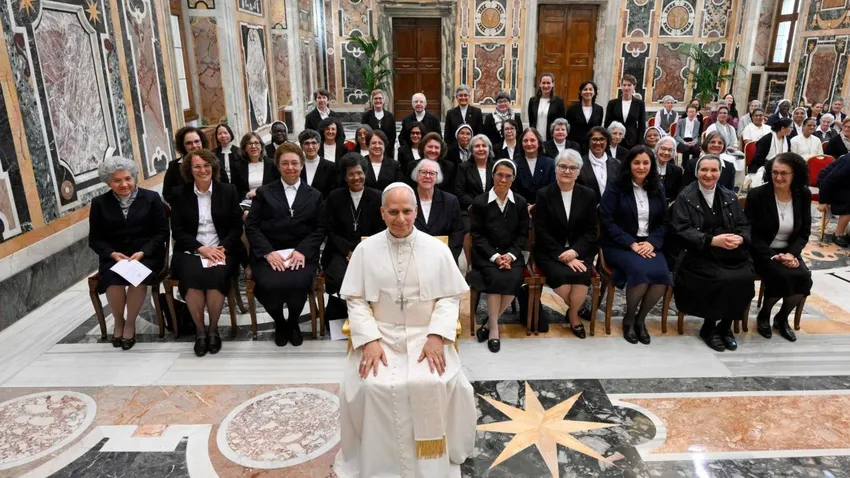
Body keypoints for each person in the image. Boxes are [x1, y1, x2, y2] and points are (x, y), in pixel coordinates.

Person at [333, 183, 474, 478]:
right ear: (382, 212)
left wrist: (436, 336)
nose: (400, 219)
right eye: (393, 212)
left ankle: (430, 464)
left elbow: (450, 297)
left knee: (435, 381)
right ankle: (381, 466)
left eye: (407, 211)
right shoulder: (364, 250)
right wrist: (369, 340)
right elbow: (355, 300)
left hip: (426, 335)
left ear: (416, 211)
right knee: (371, 386)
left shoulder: (437, 249)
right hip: (379, 335)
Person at [245, 142, 327, 347]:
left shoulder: (314, 195)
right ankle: (280, 322)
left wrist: (302, 251)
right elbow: (252, 226)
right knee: (267, 285)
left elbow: (320, 228)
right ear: (278, 166)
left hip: (301, 254)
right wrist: (268, 253)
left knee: (297, 283)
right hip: (269, 253)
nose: (290, 167)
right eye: (285, 163)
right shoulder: (264, 193)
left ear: (302, 165)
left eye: (295, 163)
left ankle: (292, 322)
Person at [670, 155, 754, 351]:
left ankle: (725, 326)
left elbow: (743, 224)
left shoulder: (729, 196)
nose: (708, 174)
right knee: (721, 279)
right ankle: (708, 327)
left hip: (729, 253)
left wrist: (741, 238)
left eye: (713, 170)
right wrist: (711, 241)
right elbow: (682, 229)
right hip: (697, 253)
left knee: (744, 276)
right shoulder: (685, 196)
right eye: (704, 170)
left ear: (720, 172)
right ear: (696, 172)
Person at [168, 150, 245, 357]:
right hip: (191, 250)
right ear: (189, 170)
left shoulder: (228, 191)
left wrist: (222, 248)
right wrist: (200, 248)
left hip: (221, 249)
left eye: (206, 165)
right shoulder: (179, 193)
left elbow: (236, 227)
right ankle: (200, 332)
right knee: (191, 279)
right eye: (197, 166)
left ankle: (213, 331)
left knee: (215, 278)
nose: (203, 170)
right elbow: (178, 231)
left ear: (213, 167)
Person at [89, 157, 168, 350]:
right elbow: (95, 239)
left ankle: (130, 323)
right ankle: (119, 321)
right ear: (108, 182)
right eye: (117, 180)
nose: (124, 184)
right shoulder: (99, 203)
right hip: (115, 256)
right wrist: (112, 254)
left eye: (127, 179)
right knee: (112, 280)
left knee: (137, 278)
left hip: (146, 254)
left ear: (134, 177)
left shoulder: (151, 198)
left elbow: (162, 232)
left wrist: (143, 252)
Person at [600, 146, 671, 344]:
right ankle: (629, 319)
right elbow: (606, 221)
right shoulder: (615, 187)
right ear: (629, 165)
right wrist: (631, 243)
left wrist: (652, 242)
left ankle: (641, 319)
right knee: (640, 274)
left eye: (645, 163)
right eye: (636, 162)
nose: (641, 167)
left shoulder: (657, 187)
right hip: (620, 244)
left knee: (662, 277)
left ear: (651, 165)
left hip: (648, 244)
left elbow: (664, 222)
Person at [745, 153, 812, 342]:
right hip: (761, 251)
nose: (778, 177)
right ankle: (764, 315)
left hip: (789, 251)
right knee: (780, 275)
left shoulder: (803, 194)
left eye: (784, 173)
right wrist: (774, 256)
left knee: (803, 278)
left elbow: (804, 231)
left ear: (795, 174)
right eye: (775, 172)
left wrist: (791, 254)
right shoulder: (758, 195)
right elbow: (751, 233)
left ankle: (781, 318)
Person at [533, 149, 598, 338]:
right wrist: (564, 255)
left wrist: (575, 252)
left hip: (580, 250)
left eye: (572, 168)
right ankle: (576, 312)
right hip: (550, 251)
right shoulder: (544, 194)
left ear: (578, 172)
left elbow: (591, 230)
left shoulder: (588, 195)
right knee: (562, 278)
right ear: (555, 169)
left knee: (581, 275)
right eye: (562, 166)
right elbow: (541, 230)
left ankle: (573, 315)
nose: (567, 171)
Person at [468, 160, 529, 352]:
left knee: (514, 277)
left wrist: (510, 255)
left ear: (513, 178)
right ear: (493, 176)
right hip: (486, 254)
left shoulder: (520, 202)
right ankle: (494, 329)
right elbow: (477, 235)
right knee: (496, 277)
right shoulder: (480, 202)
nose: (503, 179)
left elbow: (523, 234)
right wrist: (495, 257)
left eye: (508, 176)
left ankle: (488, 324)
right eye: (499, 175)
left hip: (512, 254)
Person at [322, 154, 384, 321]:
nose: (356, 178)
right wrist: (347, 251)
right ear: (344, 177)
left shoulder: (377, 197)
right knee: (338, 277)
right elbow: (330, 230)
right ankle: (346, 315)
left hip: (370, 251)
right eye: (351, 174)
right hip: (340, 251)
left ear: (365, 173)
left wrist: (359, 250)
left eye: (359, 173)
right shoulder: (334, 197)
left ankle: (367, 316)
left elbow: (381, 230)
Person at [411, 159, 465, 261]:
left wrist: (447, 258)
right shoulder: (407, 199)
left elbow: (457, 232)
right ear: (416, 175)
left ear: (437, 177)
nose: (427, 176)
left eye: (432, 173)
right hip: (412, 257)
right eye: (423, 172)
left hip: (444, 258)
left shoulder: (450, 201)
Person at [163, 126, 229, 204]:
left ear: (202, 142)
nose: (194, 146)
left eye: (197, 141)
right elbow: (167, 193)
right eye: (189, 143)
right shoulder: (174, 166)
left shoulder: (214, 161)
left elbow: (225, 185)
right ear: (182, 145)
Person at [233, 132, 279, 211]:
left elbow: (277, 185)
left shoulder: (271, 164)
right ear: (245, 148)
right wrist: (247, 194)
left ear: (261, 146)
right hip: (248, 203)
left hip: (269, 202)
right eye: (250, 143)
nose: (253, 146)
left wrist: (261, 192)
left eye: (256, 143)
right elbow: (235, 190)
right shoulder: (238, 166)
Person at [455, 134, 495, 224]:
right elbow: (460, 193)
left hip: (493, 209)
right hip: (470, 210)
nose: (481, 149)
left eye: (484, 146)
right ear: (472, 150)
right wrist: (478, 204)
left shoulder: (495, 166)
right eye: (477, 146)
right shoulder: (463, 167)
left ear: (489, 149)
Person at [512, 128, 555, 206]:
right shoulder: (514, 164)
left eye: (532, 140)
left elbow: (552, 188)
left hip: (545, 207)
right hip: (521, 208)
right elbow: (514, 190)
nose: (529, 144)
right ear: (521, 143)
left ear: (538, 143)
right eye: (525, 141)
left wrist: (537, 206)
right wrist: (525, 205)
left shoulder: (550, 163)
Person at [578, 126, 620, 202]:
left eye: (602, 139)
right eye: (594, 139)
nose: (598, 143)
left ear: (607, 141)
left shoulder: (617, 164)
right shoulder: (579, 164)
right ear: (588, 142)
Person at [605, 74, 646, 149]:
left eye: (629, 85)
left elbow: (642, 125)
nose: (626, 88)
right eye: (624, 85)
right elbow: (607, 124)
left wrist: (641, 143)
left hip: (632, 141)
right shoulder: (612, 103)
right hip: (615, 140)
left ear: (634, 86)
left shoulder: (640, 104)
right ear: (621, 86)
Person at [818, 152, 850, 247]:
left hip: (844, 184)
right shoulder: (848, 162)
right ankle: (838, 234)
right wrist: (823, 201)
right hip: (829, 184)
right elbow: (828, 181)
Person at [565, 80, 604, 154]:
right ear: (580, 92)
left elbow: (598, 128)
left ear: (594, 92)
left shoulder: (599, 109)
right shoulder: (572, 109)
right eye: (585, 89)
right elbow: (567, 129)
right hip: (574, 146)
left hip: (592, 146)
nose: (588, 92)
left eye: (590, 89)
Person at [299, 129, 340, 198]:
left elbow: (333, 193)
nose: (310, 147)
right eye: (307, 143)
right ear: (301, 146)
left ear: (319, 145)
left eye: (313, 143)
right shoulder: (297, 166)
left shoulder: (331, 167)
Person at [527, 72, 566, 142]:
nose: (545, 86)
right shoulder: (533, 101)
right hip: (535, 138)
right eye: (543, 83)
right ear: (540, 84)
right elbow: (531, 120)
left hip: (551, 138)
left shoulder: (558, 101)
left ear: (552, 84)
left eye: (548, 83)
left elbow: (561, 121)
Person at [416, 132, 457, 196]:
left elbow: (452, 192)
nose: (433, 150)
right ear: (423, 148)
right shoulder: (413, 165)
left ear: (441, 150)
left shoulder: (449, 167)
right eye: (430, 147)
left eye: (436, 148)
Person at [361, 89, 397, 157]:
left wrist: (385, 149)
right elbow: (364, 133)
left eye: (380, 98)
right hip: (371, 150)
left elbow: (393, 136)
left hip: (387, 151)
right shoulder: (366, 116)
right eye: (375, 98)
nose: (378, 101)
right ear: (372, 100)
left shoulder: (390, 116)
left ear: (384, 100)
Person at [656, 136, 683, 202]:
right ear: (657, 149)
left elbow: (676, 194)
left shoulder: (677, 171)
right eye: (663, 149)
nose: (666, 153)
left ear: (674, 153)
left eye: (670, 150)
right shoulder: (648, 167)